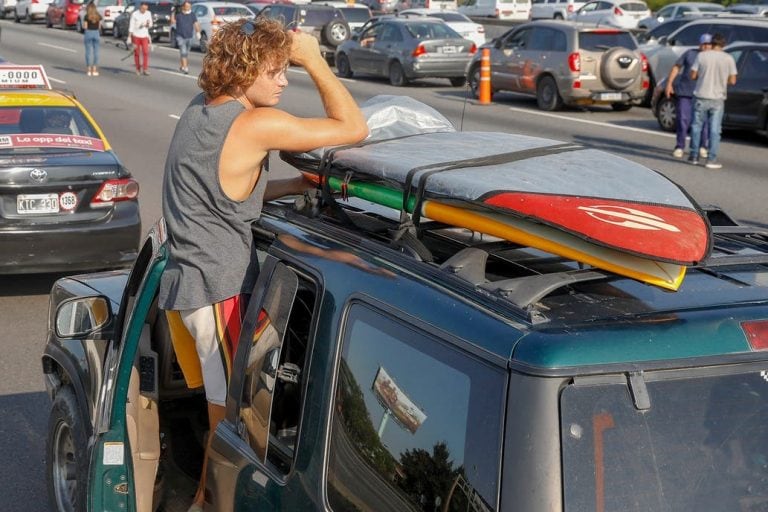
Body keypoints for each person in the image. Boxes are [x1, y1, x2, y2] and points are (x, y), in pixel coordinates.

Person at [158, 17, 368, 512]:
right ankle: (213, 506)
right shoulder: (254, 124)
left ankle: (201, 504)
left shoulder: (200, 111)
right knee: (234, 425)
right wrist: (315, 57)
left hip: (189, 290)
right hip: (220, 292)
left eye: (287, 68)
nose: (283, 79)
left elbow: (222, 194)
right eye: (275, 70)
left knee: (220, 414)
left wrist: (291, 187)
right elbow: (353, 129)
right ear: (244, 68)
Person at [688, 32, 738, 169]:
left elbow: (693, 75)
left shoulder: (702, 56)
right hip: (717, 98)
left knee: (696, 127)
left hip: (701, 95)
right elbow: (733, 80)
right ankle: (711, 159)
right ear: (723, 44)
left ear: (712, 43)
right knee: (715, 130)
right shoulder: (728, 59)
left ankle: (693, 155)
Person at [664, 33, 711, 160]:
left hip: (703, 94)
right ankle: (680, 146)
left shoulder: (712, 58)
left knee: (704, 122)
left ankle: (703, 146)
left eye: (708, 44)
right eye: (704, 44)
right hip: (685, 92)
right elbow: (676, 67)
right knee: (682, 120)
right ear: (700, 44)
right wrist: (669, 84)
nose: (706, 47)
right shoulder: (690, 53)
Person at [172, 0, 199, 74]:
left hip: (189, 36)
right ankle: (186, 68)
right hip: (180, 36)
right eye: (187, 6)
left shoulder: (192, 14)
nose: (188, 8)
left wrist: (198, 32)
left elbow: (196, 24)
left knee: (186, 53)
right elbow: (172, 22)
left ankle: (182, 66)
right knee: (183, 52)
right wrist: (172, 12)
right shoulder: (178, 14)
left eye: (189, 6)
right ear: (183, 7)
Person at [128, 1, 153, 76]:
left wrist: (147, 25)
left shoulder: (148, 13)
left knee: (145, 52)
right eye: (142, 8)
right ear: (140, 7)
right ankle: (138, 68)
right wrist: (129, 36)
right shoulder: (135, 14)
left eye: (145, 8)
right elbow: (131, 26)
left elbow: (151, 24)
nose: (144, 10)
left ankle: (145, 69)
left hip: (144, 36)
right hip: (136, 35)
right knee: (137, 53)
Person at [83, 1, 102, 76]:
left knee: (88, 51)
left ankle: (88, 69)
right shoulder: (98, 16)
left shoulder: (86, 16)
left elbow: (85, 26)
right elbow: (100, 26)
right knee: (96, 52)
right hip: (96, 32)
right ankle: (94, 69)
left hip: (88, 32)